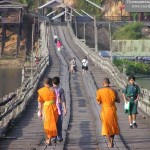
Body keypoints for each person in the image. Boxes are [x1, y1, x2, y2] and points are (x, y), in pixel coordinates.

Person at [96, 78, 120, 148]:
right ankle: (112, 142)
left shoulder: (99, 91)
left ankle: (109, 142)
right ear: (109, 83)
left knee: (106, 126)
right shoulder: (114, 90)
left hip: (105, 110)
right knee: (113, 126)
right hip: (112, 110)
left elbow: (98, 102)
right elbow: (118, 101)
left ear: (103, 83)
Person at [37, 77, 58, 145]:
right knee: (53, 122)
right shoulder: (54, 90)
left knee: (47, 124)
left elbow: (40, 102)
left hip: (46, 108)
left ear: (45, 84)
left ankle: (49, 139)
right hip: (54, 108)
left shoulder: (41, 91)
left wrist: (40, 111)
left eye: (44, 84)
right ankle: (52, 137)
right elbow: (55, 100)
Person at [52, 77, 67, 142]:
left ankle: (53, 136)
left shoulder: (50, 89)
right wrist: (65, 108)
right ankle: (59, 137)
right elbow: (63, 100)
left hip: (51, 107)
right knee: (59, 123)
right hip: (59, 108)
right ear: (59, 82)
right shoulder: (61, 90)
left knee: (52, 122)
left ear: (52, 82)